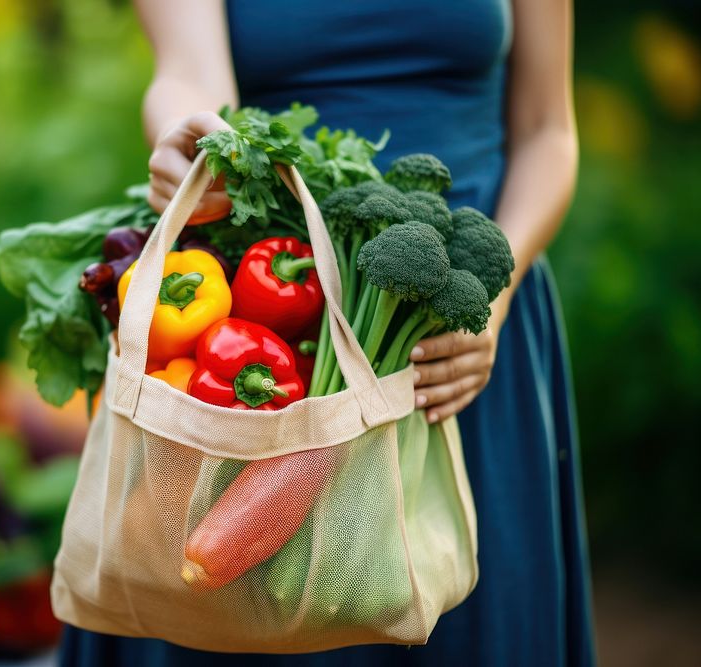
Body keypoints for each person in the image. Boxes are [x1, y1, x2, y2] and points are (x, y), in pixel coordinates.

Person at [60, 0, 596, 664]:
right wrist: (185, 137)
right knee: (247, 605)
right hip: (279, 322)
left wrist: (495, 292)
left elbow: (549, 129)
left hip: (463, 334)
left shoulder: (479, 309)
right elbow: (189, 75)